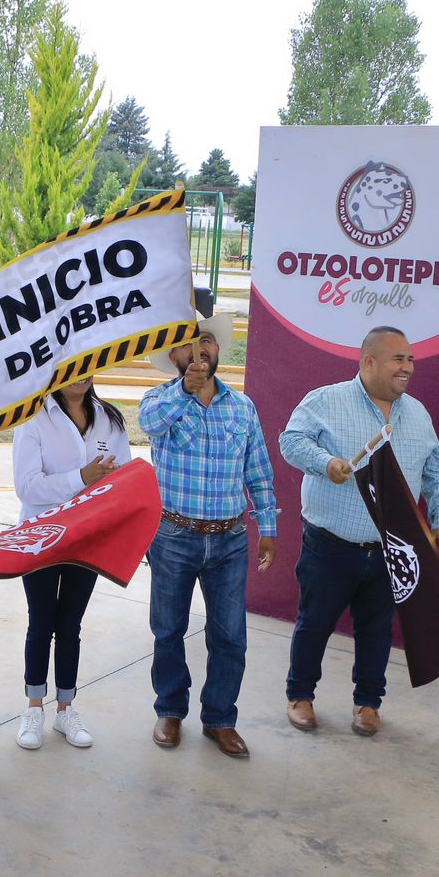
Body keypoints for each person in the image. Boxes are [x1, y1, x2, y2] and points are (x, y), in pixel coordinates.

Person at [279, 325, 439, 737]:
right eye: (398, 358)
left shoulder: (418, 413)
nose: (407, 367)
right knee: (314, 622)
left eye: (410, 359)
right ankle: (300, 695)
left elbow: (436, 470)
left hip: (391, 549)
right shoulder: (326, 400)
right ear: (369, 361)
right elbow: (291, 441)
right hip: (330, 545)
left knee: (377, 630)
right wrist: (327, 463)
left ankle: (368, 703)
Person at [140, 314, 278, 758]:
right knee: (168, 630)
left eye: (206, 343)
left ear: (217, 349)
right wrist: (184, 390)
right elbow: (149, 423)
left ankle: (219, 718)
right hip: (174, 536)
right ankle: (170, 710)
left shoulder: (243, 407)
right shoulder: (159, 400)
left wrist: (268, 527)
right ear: (174, 357)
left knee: (230, 636)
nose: (199, 353)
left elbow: (257, 471)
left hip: (229, 540)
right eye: (188, 346)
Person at [11, 377, 131, 750]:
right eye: (70, 366)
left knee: (70, 625)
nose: (79, 374)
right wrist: (81, 478)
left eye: (86, 365)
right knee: (41, 622)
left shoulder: (109, 419)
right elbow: (27, 487)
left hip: (87, 539)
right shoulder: (33, 419)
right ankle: (33, 707)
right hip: (42, 538)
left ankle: (65, 710)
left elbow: (123, 479)